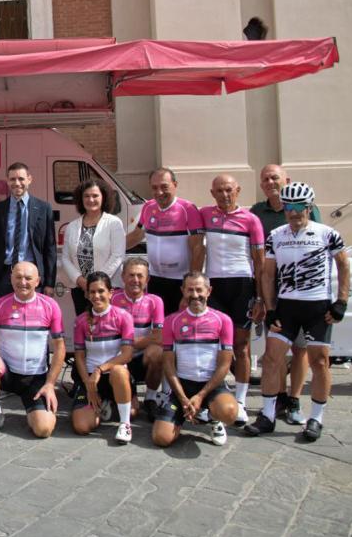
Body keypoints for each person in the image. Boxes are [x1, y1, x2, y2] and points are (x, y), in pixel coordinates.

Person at [245, 182, 349, 442]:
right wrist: (270, 309)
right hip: (286, 307)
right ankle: (267, 416)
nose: (293, 212)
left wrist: (341, 302)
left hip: (318, 308)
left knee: (320, 362)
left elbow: (344, 266)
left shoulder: (327, 233)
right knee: (271, 359)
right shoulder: (276, 235)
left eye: (299, 207)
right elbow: (267, 274)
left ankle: (316, 418)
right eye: (289, 207)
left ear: (309, 207)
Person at [250, 164, 324, 425]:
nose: (270, 182)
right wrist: (260, 296)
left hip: (303, 293)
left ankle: (294, 399)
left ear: (286, 180)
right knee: (274, 350)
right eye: (265, 179)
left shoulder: (308, 208)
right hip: (274, 292)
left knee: (301, 348)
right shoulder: (258, 212)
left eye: (275, 178)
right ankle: (278, 396)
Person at [200, 174, 265, 427]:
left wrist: (260, 296)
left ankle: (239, 401)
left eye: (229, 190)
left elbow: (259, 262)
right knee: (214, 346)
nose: (224, 195)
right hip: (214, 286)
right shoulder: (205, 214)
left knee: (241, 347)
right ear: (212, 192)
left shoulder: (251, 219)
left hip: (242, 285)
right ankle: (213, 396)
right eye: (219, 191)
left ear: (237, 190)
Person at [0, 261, 66, 439]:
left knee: (43, 430)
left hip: (35, 378)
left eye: (28, 278)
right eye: (18, 277)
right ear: (11, 279)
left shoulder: (50, 305)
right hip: (8, 373)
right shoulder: (0, 304)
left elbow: (59, 346)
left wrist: (50, 384)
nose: (22, 282)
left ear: (37, 281)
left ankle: (34, 411)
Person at [153, 272, 238, 447]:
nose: (195, 295)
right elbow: (168, 364)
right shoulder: (171, 321)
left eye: (199, 289)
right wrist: (183, 398)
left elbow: (224, 365)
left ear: (209, 291)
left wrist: (200, 396)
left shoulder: (223, 320)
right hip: (182, 386)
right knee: (161, 438)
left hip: (211, 385)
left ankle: (214, 419)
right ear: (182, 291)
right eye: (189, 290)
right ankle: (185, 413)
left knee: (229, 412)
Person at [124, 168, 204, 315]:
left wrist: (191, 287)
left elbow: (198, 250)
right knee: (158, 330)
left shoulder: (188, 209)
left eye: (164, 187)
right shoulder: (148, 207)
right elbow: (136, 236)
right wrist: (108, 248)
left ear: (175, 184)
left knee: (179, 328)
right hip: (155, 280)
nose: (159, 192)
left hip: (180, 282)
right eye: (154, 188)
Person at [71, 272, 136, 444]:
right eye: (92, 292)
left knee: (119, 372)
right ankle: (105, 403)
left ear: (110, 292)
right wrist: (89, 385)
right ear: (87, 294)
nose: (96, 296)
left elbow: (127, 354)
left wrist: (100, 369)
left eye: (101, 291)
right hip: (90, 378)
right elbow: (79, 356)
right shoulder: (81, 321)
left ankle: (125, 424)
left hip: (114, 375)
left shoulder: (123, 316)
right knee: (81, 427)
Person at [0, 162, 57, 302]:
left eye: (21, 179)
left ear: (29, 179)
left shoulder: (44, 209)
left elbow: (50, 249)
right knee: (6, 320)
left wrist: (49, 283)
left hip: (33, 277)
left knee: (34, 320)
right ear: (7, 181)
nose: (17, 183)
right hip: (4, 276)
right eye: (12, 179)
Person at [60, 178, 125, 315]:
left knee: (107, 328)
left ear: (103, 197)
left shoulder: (114, 223)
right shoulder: (72, 226)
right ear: (81, 199)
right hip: (80, 289)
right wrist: (80, 281)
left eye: (95, 195)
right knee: (84, 328)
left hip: (106, 289)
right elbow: (65, 258)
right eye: (87, 196)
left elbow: (118, 255)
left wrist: (97, 283)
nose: (91, 199)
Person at [111, 258, 165, 421]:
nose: (136, 280)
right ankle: (121, 396)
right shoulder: (113, 298)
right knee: (133, 414)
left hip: (142, 356)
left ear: (147, 279)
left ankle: (150, 398)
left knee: (158, 352)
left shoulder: (155, 301)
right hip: (119, 359)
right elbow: (109, 334)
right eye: (131, 275)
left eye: (140, 276)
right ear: (123, 277)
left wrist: (128, 341)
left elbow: (159, 337)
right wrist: (143, 340)